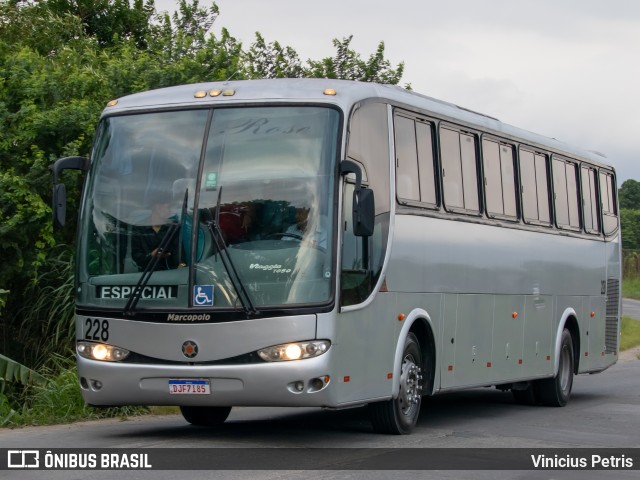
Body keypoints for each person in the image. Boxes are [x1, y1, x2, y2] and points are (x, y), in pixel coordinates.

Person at [131, 198, 181, 271]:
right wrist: (151, 255)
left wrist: (182, 264)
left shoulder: (173, 228)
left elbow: (178, 251)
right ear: (158, 208)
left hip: (169, 273)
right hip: (146, 274)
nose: (170, 211)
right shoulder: (139, 228)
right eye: (168, 208)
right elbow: (136, 256)